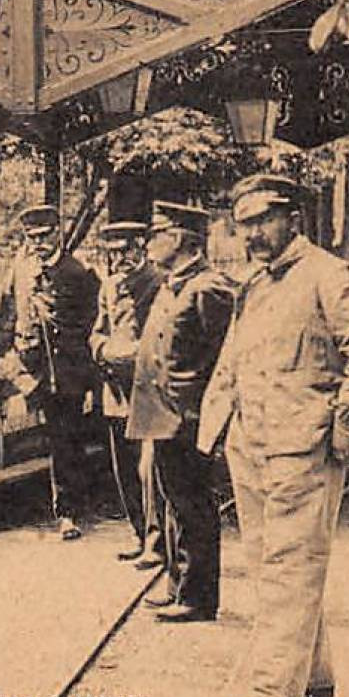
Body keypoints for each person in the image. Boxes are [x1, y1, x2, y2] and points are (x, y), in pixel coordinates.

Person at [198, 174, 349, 697]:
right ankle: (313, 672)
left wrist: (342, 429)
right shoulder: (255, 286)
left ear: (294, 220)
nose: (253, 234)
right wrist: (214, 433)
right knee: (270, 564)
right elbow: (233, 362)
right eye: (244, 225)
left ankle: (270, 689)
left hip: (303, 446)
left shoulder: (331, 277)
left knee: (288, 563)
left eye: (263, 221)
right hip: (252, 446)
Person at [0, 205, 101, 540]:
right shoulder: (19, 269)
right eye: (31, 237)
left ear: (58, 233)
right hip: (22, 363)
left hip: (63, 369)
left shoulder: (79, 273)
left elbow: (93, 326)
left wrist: (89, 378)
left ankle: (68, 514)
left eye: (44, 236)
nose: (38, 243)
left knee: (64, 438)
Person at [125, 202, 236, 623]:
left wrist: (202, 413)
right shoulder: (173, 284)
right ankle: (177, 583)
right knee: (174, 502)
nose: (150, 242)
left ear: (182, 239)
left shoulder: (208, 288)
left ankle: (198, 597)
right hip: (163, 413)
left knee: (192, 506)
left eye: (158, 233)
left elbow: (222, 356)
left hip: (185, 416)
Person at [89, 219, 162, 562]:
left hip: (147, 388)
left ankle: (157, 541)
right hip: (115, 390)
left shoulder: (159, 283)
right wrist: (102, 349)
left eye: (124, 251)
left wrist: (131, 351)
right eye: (112, 253)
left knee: (151, 468)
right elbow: (97, 330)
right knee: (125, 468)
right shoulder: (109, 286)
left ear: (141, 247)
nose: (118, 260)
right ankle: (138, 533)